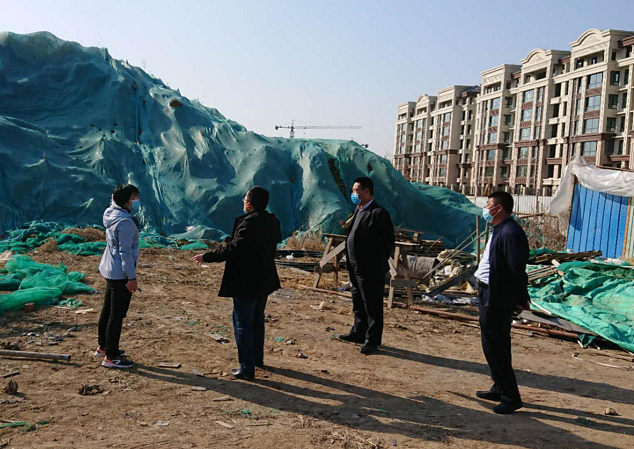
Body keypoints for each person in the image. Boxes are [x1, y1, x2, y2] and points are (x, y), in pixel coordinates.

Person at [193, 187, 282, 380]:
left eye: (245, 199)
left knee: (243, 322)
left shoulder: (249, 224)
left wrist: (208, 256)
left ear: (249, 204)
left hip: (246, 280)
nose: (243, 202)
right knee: (257, 319)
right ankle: (256, 359)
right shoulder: (272, 221)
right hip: (265, 278)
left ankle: (246, 368)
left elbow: (234, 249)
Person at [474, 191, 530, 414]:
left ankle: (510, 397)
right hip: (488, 291)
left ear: (498, 208)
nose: (485, 208)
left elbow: (516, 269)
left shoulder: (511, 232)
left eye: (488, 204)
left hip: (497, 296)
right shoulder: (498, 229)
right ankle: (498, 387)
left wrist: (520, 298)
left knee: (496, 346)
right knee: (491, 343)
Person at [337, 177, 395, 355]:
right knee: (358, 301)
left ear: (366, 191)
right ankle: (358, 332)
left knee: (372, 304)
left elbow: (388, 243)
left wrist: (377, 263)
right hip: (355, 265)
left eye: (356, 191)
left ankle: (372, 339)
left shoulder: (378, 213)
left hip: (370, 268)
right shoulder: (359, 209)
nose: (353, 194)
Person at [96, 184, 141, 369]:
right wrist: (132, 277)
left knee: (108, 309)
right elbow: (126, 252)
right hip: (120, 272)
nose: (136, 201)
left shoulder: (110, 213)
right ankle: (112, 356)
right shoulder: (125, 223)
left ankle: (103, 346)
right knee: (117, 314)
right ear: (126, 200)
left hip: (109, 267)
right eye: (134, 197)